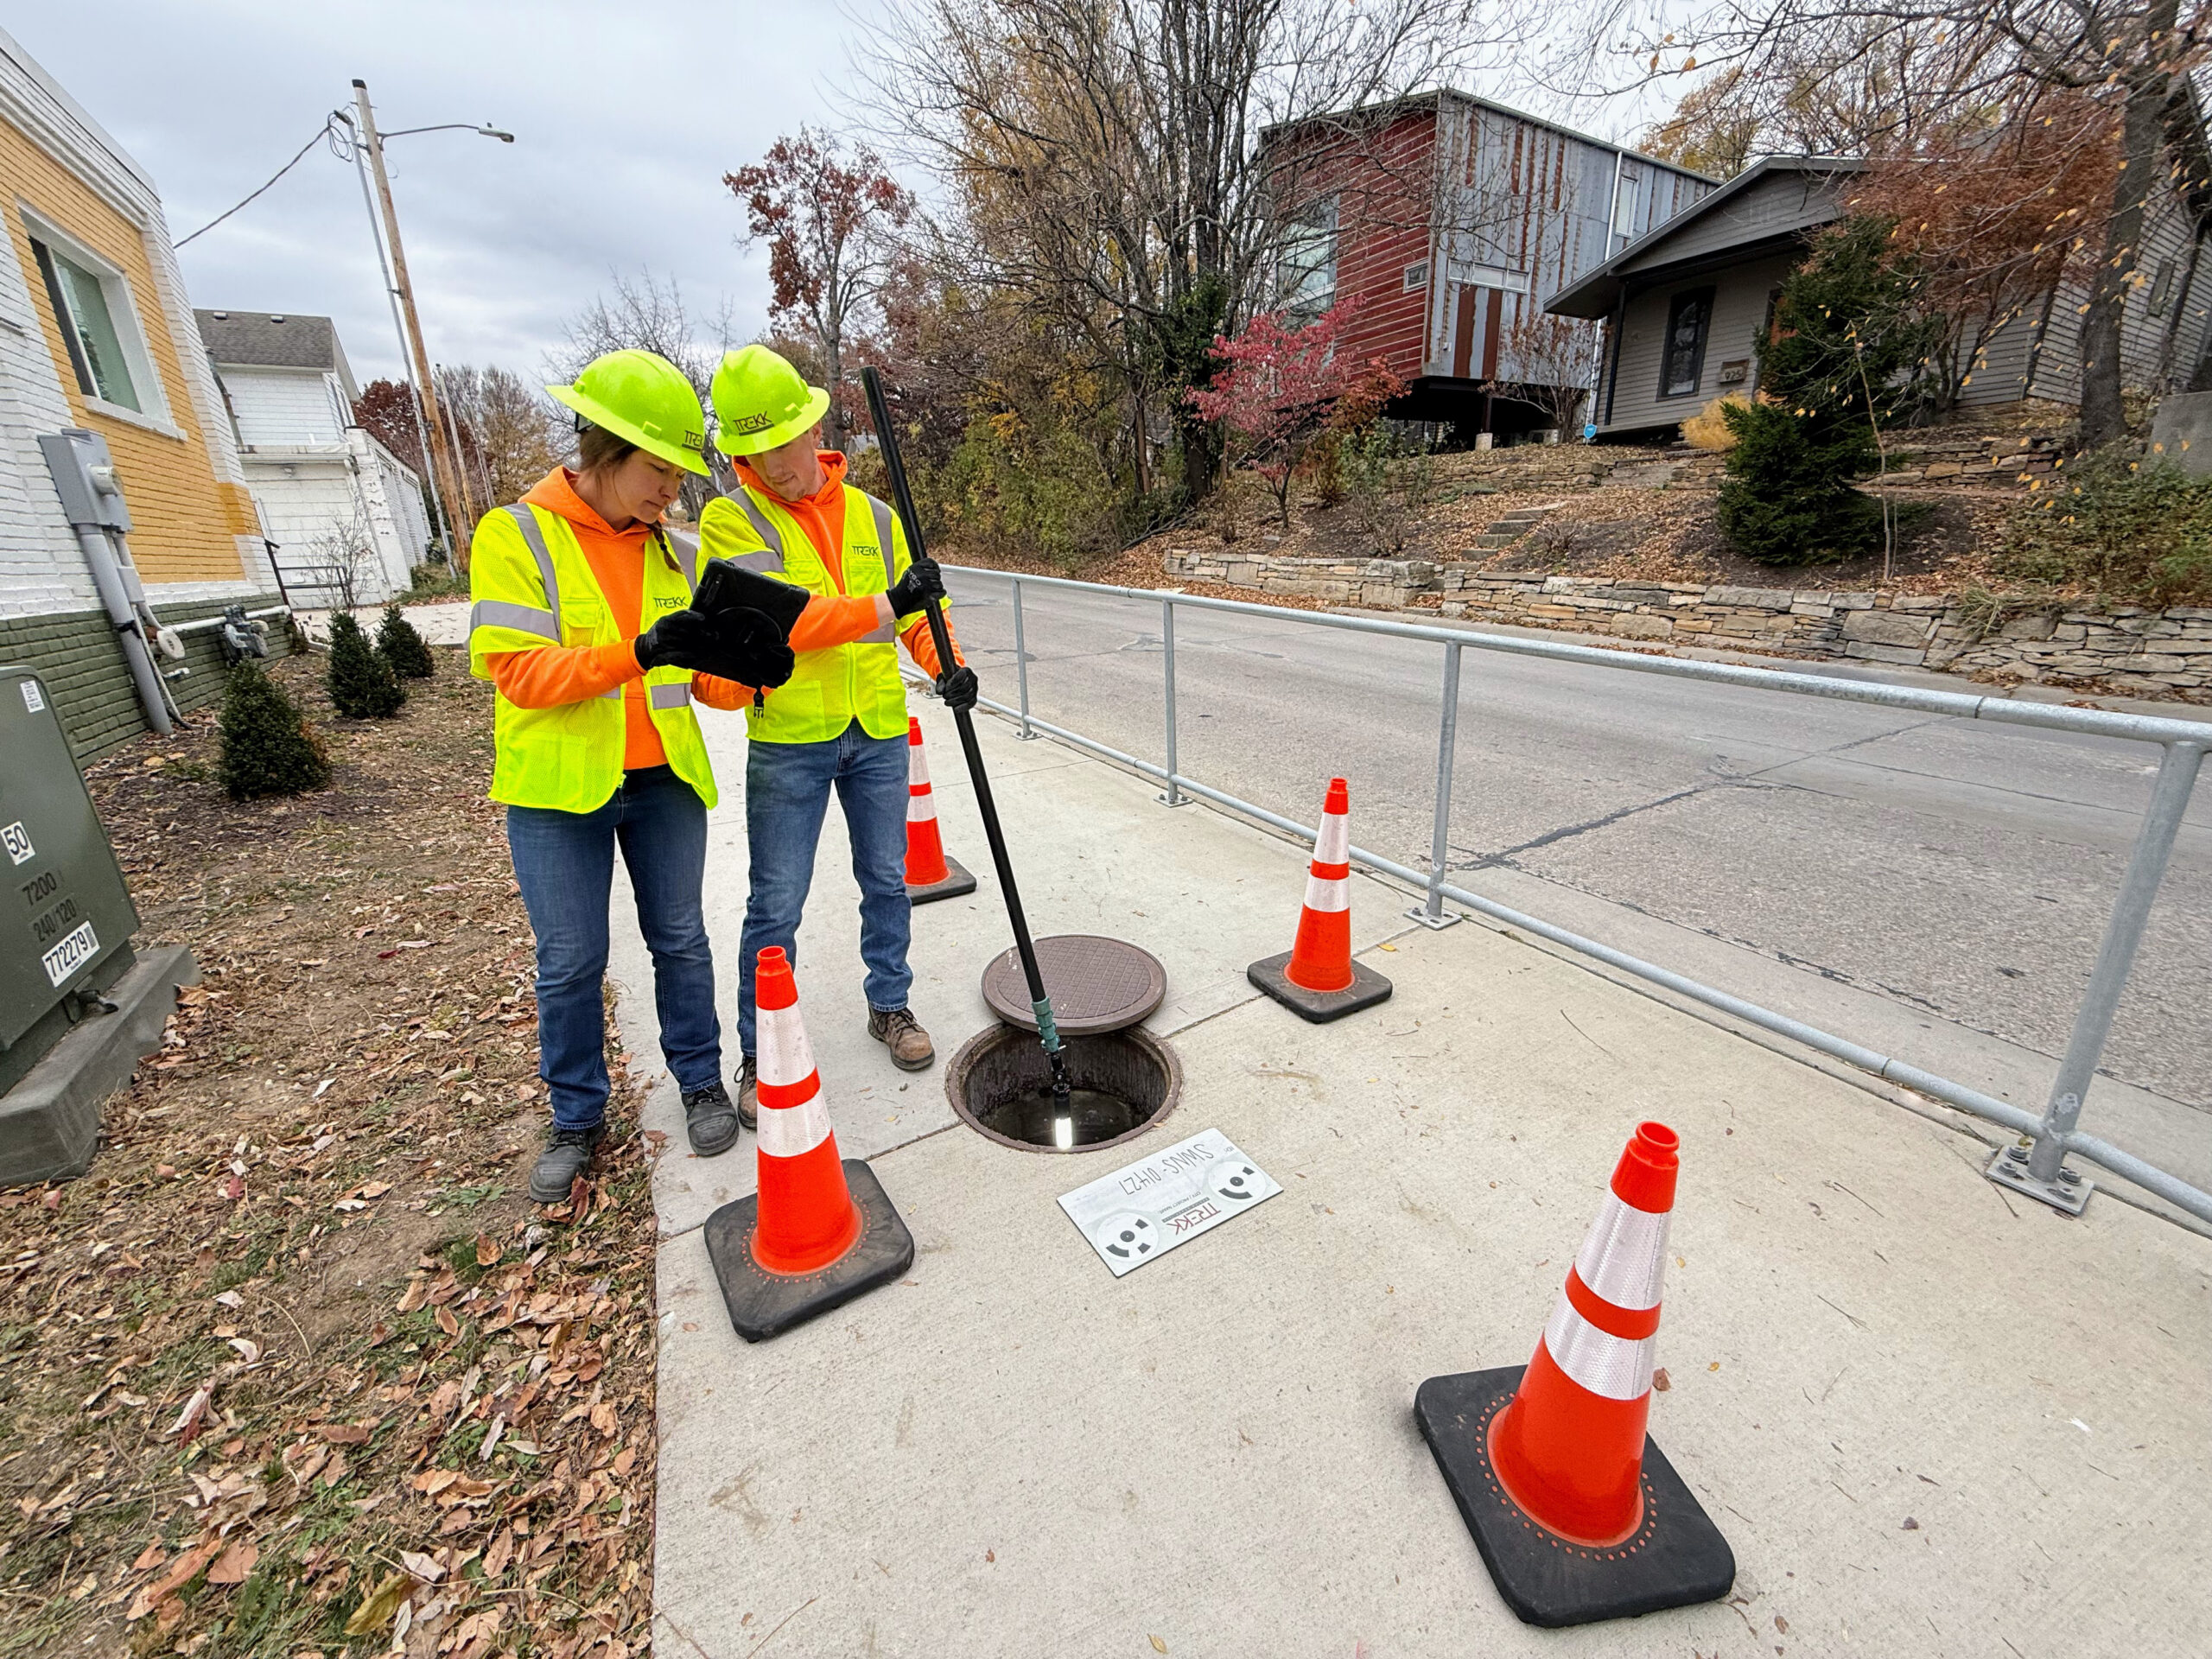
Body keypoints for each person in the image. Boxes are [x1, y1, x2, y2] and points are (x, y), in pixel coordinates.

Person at [467, 350, 800, 1203]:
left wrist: (753, 671)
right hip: (556, 795)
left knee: (680, 940)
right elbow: (519, 673)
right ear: (606, 450)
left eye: (681, 476)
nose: (671, 491)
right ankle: (577, 1118)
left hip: (663, 784)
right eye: (660, 471)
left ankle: (699, 1082)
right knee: (571, 962)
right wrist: (638, 651)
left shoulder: (668, 554)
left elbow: (693, 677)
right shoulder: (516, 535)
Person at [699, 344, 977, 1125]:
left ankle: (890, 1006)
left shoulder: (876, 517)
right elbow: (789, 621)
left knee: (887, 881)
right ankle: (761, 1052)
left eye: (780, 445)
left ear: (812, 430)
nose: (770, 465)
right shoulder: (731, 518)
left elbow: (921, 613)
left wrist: (947, 664)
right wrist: (893, 603)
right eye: (751, 451)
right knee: (775, 904)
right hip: (790, 740)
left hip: (877, 730)